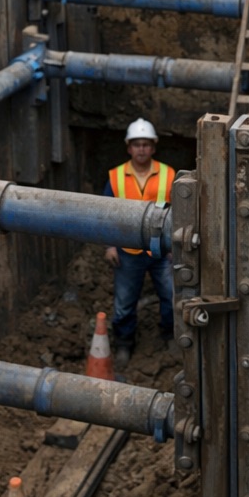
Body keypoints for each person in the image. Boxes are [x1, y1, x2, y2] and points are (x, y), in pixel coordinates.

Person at [101, 118, 176, 367]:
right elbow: (105, 214)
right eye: (137, 145)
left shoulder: (169, 174)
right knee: (123, 303)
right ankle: (124, 344)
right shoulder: (115, 177)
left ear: (153, 147)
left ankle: (170, 335)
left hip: (161, 251)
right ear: (128, 148)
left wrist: (175, 247)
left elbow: (179, 213)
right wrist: (110, 246)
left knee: (172, 297)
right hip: (128, 251)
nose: (141, 149)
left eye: (146, 144)